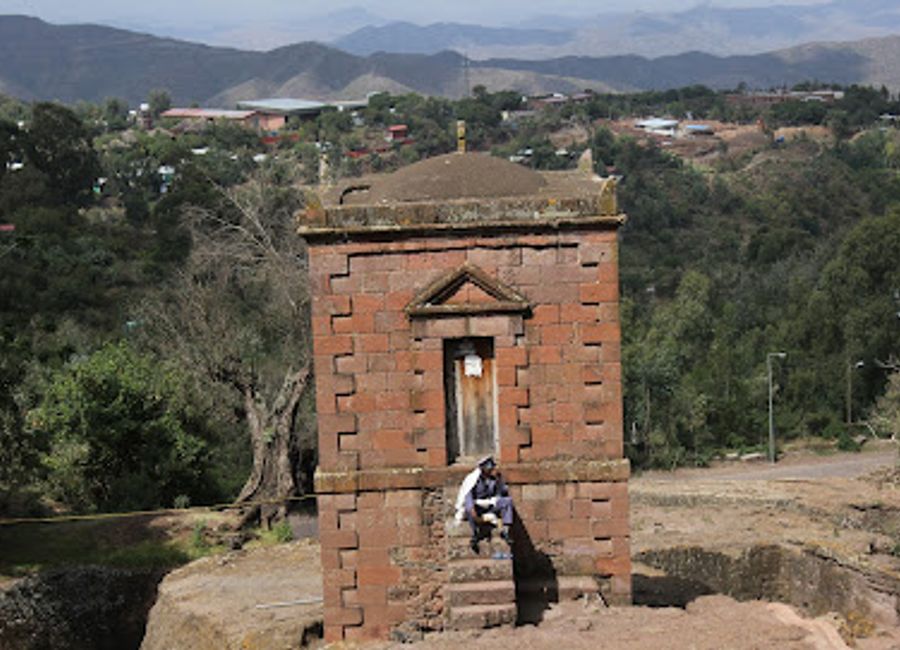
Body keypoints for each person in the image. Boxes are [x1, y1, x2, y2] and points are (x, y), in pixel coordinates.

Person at [456, 456, 513, 554]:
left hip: (490, 504)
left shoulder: (494, 478)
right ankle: (476, 534)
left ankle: (505, 531)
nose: (491, 469)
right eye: (489, 468)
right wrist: (471, 508)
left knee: (507, 501)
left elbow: (502, 491)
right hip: (478, 506)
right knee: (469, 510)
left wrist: (498, 480)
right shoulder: (473, 479)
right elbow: (468, 495)